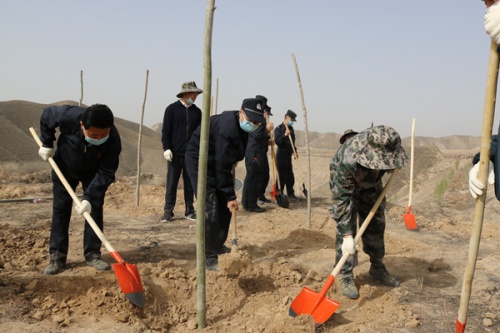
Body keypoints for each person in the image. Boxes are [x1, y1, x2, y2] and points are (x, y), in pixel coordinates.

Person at [37, 104, 122, 275]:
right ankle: (57, 257)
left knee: (94, 209)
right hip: (64, 167)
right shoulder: (69, 116)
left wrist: (89, 197)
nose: (98, 138)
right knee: (61, 209)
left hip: (93, 172)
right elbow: (47, 116)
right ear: (82, 125)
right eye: (93, 135)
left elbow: (106, 172)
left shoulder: (113, 140)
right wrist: (47, 143)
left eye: (103, 134)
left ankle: (92, 254)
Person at [185, 97, 265, 271]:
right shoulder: (226, 129)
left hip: (216, 161)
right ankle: (208, 255)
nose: (253, 125)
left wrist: (234, 159)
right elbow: (222, 166)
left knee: (225, 209)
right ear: (241, 112)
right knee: (211, 207)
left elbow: (227, 158)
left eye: (257, 123)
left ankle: (217, 244)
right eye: (250, 121)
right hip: (200, 162)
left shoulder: (241, 124)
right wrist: (230, 195)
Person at [329, 125, 408, 299]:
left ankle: (377, 268)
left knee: (376, 223)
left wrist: (393, 165)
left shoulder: (387, 146)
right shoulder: (346, 160)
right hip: (348, 185)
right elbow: (341, 201)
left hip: (371, 186)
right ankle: (346, 274)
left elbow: (391, 161)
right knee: (346, 229)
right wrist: (348, 236)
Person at [161, 81, 203, 223]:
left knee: (190, 183)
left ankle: (189, 210)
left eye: (196, 94)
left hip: (191, 154)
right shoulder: (171, 109)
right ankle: (168, 211)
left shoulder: (197, 112)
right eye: (193, 93)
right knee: (172, 183)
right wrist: (166, 148)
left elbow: (201, 133)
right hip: (174, 153)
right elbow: (166, 130)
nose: (195, 96)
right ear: (185, 94)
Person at [242, 95, 273, 212]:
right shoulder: (256, 119)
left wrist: (267, 140)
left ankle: (247, 202)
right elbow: (255, 134)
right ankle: (252, 204)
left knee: (251, 178)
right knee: (254, 178)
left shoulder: (257, 118)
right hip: (254, 152)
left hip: (257, 151)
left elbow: (259, 137)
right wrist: (266, 130)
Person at [274, 110, 299, 201]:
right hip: (281, 155)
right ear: (286, 118)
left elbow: (292, 143)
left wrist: (295, 151)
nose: (292, 121)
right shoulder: (278, 129)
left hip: (288, 155)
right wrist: (285, 135)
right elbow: (278, 141)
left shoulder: (291, 129)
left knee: (290, 176)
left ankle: (290, 193)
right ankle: (279, 193)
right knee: (281, 175)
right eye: (291, 119)